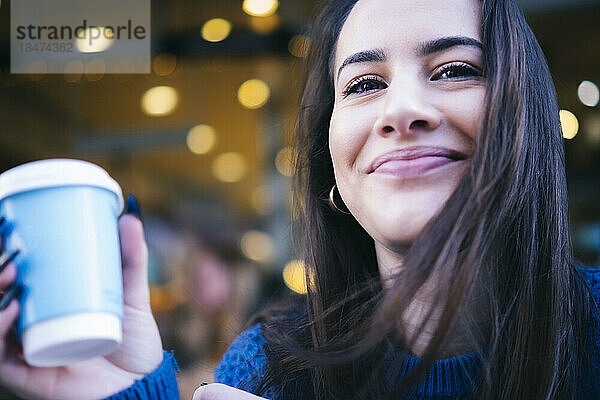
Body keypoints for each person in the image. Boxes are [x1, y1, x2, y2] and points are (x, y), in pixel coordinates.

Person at [0, 0, 599, 399]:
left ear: (527, 119)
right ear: (335, 171)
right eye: (364, 85)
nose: (400, 111)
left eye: (452, 70)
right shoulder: (268, 370)